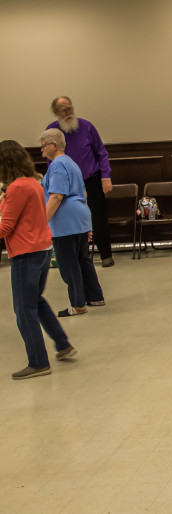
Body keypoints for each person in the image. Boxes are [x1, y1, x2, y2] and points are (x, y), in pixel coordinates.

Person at [0, 140, 77, 380]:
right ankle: (63, 344)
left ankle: (38, 362)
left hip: (26, 253)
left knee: (24, 310)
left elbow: (6, 226)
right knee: (36, 301)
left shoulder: (17, 188)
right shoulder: (32, 183)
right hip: (41, 249)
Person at [40, 129, 105, 318]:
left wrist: (42, 222)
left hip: (66, 222)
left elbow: (57, 196)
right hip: (81, 217)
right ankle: (95, 296)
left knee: (69, 263)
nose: (42, 150)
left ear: (54, 145)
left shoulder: (58, 165)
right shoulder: (71, 163)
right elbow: (83, 193)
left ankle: (77, 304)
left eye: (44, 146)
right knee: (83, 259)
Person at [47, 96, 115, 267]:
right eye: (64, 110)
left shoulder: (86, 126)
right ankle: (78, 256)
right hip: (66, 184)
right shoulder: (52, 131)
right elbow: (50, 159)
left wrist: (105, 177)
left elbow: (101, 153)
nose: (69, 112)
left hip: (91, 180)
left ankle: (106, 255)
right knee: (72, 219)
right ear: (56, 112)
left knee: (98, 217)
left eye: (70, 108)